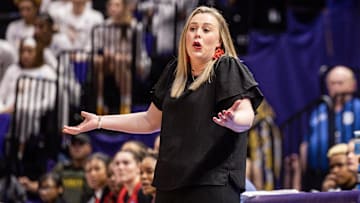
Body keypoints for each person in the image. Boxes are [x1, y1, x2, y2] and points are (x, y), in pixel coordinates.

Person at [63, 6, 263, 203]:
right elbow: (150, 121)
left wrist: (234, 121)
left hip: (211, 183)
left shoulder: (226, 67)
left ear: (219, 40)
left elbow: (246, 115)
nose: (197, 34)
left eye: (206, 29)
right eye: (192, 29)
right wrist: (99, 121)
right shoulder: (174, 73)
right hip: (170, 183)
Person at [300, 65, 360, 191]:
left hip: (349, 173)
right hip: (317, 172)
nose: (336, 87)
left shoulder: (357, 107)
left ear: (353, 85)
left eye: (340, 83)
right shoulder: (319, 110)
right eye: (332, 83)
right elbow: (307, 140)